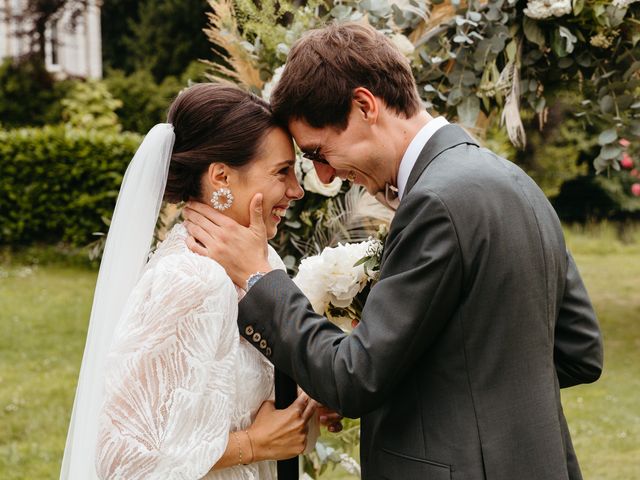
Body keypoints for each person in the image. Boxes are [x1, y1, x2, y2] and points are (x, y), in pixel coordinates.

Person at [182, 23, 604, 479]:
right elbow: (579, 351)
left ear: (365, 106)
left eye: (320, 152)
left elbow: (353, 379)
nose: (323, 177)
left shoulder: (436, 203)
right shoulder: (517, 182)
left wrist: (260, 278)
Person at [60, 83, 326, 480]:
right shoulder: (194, 279)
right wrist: (253, 444)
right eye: (281, 172)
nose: (296, 190)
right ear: (221, 176)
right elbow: (121, 456)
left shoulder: (259, 263)